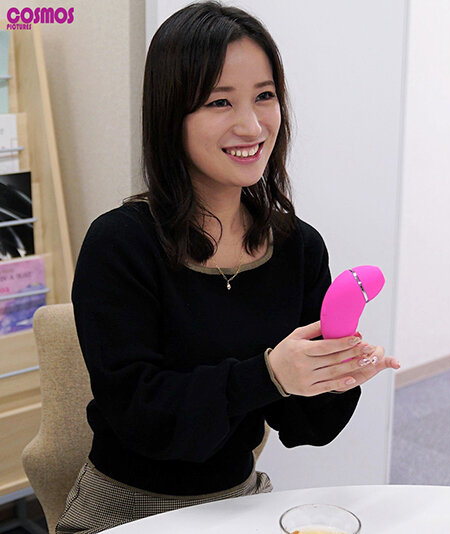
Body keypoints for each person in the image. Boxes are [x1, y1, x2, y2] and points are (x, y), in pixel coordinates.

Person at [57, 3, 400, 533]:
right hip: (127, 509)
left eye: (265, 95)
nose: (252, 125)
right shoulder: (120, 245)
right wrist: (269, 374)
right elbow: (142, 417)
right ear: (172, 115)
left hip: (239, 502)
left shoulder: (298, 247)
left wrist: (335, 376)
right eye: (220, 101)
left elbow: (305, 428)